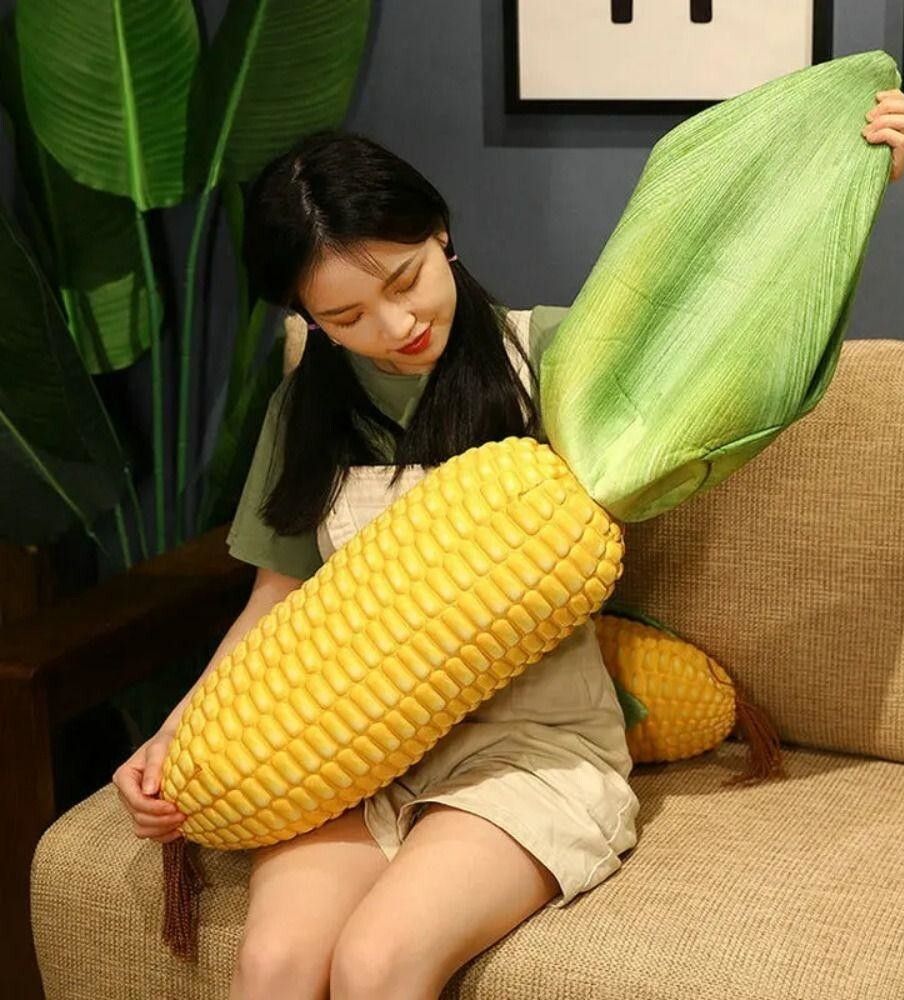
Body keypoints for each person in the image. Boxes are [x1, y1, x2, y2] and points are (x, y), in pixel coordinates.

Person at [113, 129, 640, 1000]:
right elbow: (274, 603)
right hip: (357, 760)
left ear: (440, 231)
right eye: (346, 318)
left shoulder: (552, 354)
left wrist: (855, 157)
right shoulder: (305, 410)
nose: (397, 328)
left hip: (531, 748)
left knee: (375, 962)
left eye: (405, 280)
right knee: (275, 966)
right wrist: (173, 735)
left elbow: (724, 351)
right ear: (306, 317)